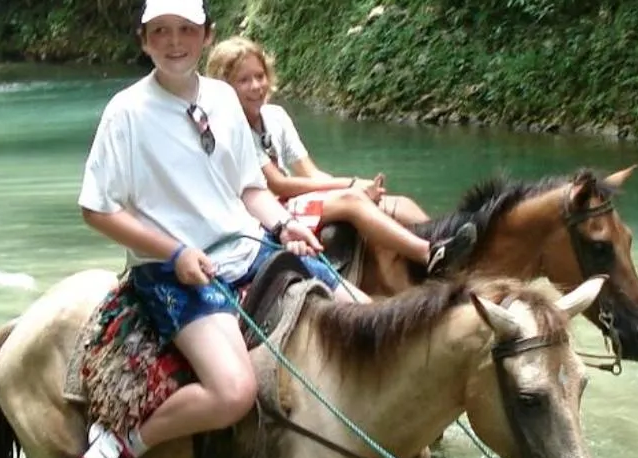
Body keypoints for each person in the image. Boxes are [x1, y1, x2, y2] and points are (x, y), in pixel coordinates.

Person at [74, 0, 333, 458]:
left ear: (206, 36)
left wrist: (284, 226)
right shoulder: (126, 112)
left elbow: (250, 188)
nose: (174, 43)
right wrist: (173, 252)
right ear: (143, 40)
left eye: (186, 31)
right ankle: (124, 444)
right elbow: (97, 208)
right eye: (161, 32)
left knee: (359, 313)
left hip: (248, 248)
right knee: (232, 391)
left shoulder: (221, 98)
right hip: (172, 270)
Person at [203, 36, 476, 280]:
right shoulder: (232, 127)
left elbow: (310, 173)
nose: (256, 86)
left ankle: (451, 250)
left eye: (260, 76)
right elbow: (278, 185)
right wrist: (350, 186)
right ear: (224, 88)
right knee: (353, 201)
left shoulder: (276, 116)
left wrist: (358, 186)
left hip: (292, 201)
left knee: (398, 203)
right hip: (267, 213)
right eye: (244, 80)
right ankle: (426, 254)